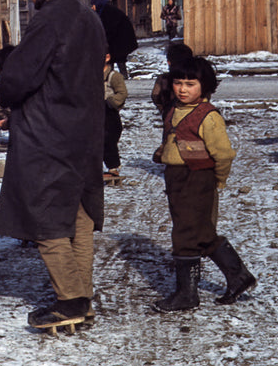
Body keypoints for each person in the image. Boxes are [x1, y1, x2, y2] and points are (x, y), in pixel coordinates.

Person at [0, 0, 106, 330]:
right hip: (85, 130)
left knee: (47, 221)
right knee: (79, 217)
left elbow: (17, 79)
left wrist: (6, 95)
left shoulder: (49, 19)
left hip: (49, 133)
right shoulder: (88, 17)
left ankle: (70, 302)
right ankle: (82, 297)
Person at [152, 56, 257, 312]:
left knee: (185, 235)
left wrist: (217, 180)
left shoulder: (208, 117)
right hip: (176, 178)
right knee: (200, 232)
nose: (183, 89)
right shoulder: (173, 109)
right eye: (178, 82)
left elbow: (223, 154)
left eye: (190, 83)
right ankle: (239, 276)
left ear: (204, 86)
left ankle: (186, 295)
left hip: (197, 179)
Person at [91, 0, 138, 78]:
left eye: (93, 5)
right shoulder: (105, 11)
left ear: (97, 4)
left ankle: (119, 77)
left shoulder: (107, 12)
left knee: (117, 59)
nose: (92, 7)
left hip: (121, 41)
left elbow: (109, 29)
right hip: (118, 40)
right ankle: (112, 77)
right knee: (113, 59)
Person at [102, 49, 128, 182]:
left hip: (109, 113)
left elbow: (122, 93)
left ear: (107, 57)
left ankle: (113, 168)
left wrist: (110, 101)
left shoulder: (114, 76)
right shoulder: (89, 75)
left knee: (109, 140)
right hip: (94, 113)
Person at [151, 42, 194, 118]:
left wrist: (163, 110)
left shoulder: (163, 79)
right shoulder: (196, 79)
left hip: (170, 117)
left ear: (169, 62)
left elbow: (155, 96)